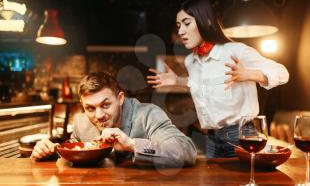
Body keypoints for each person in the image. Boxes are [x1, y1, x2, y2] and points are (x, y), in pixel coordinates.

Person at [147, 0, 289, 158]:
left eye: (186, 23)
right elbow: (203, 85)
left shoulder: (235, 51)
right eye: (179, 25)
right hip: (211, 138)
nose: (180, 32)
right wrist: (177, 81)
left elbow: (282, 72)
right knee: (214, 183)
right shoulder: (191, 61)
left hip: (240, 135)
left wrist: (250, 74)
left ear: (205, 21)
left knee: (243, 182)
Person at [31, 71, 197, 168]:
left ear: (120, 98)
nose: (99, 115)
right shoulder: (81, 123)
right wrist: (50, 152)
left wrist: (132, 145)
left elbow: (186, 151)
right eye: (90, 108)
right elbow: (72, 157)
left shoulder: (148, 115)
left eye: (105, 105)